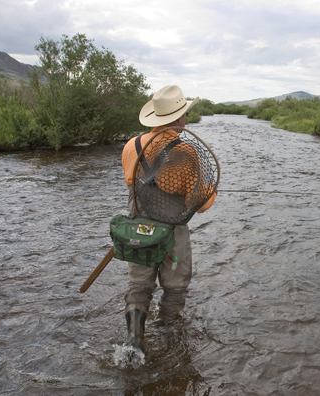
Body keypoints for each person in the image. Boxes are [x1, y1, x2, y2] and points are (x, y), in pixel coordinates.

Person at [120, 85, 216, 350]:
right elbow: (201, 204)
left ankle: (134, 341)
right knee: (175, 286)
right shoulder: (186, 152)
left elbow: (132, 181)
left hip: (137, 227)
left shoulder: (131, 145)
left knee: (138, 285)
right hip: (172, 231)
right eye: (184, 113)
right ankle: (167, 335)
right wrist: (210, 191)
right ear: (178, 118)